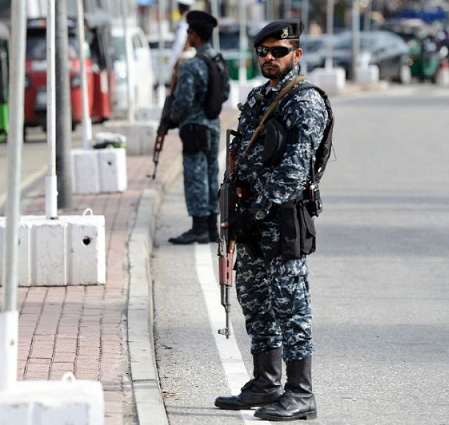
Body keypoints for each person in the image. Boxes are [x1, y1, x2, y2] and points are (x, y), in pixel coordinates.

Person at [213, 19, 329, 421]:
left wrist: (255, 211)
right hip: (251, 222)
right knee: (256, 303)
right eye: (262, 52)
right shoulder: (258, 97)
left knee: (291, 308)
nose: (269, 58)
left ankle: (301, 394)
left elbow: (294, 172)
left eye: (278, 52)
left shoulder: (304, 101)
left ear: (296, 54)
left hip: (282, 221)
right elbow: (242, 158)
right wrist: (234, 209)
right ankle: (265, 383)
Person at [167, 10, 229, 245]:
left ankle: (199, 228)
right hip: (213, 126)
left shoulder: (192, 66)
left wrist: (173, 118)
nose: (188, 36)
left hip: (194, 127)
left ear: (195, 35)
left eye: (190, 32)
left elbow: (182, 102)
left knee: (195, 176)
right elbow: (225, 94)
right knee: (212, 173)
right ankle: (213, 228)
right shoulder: (219, 61)